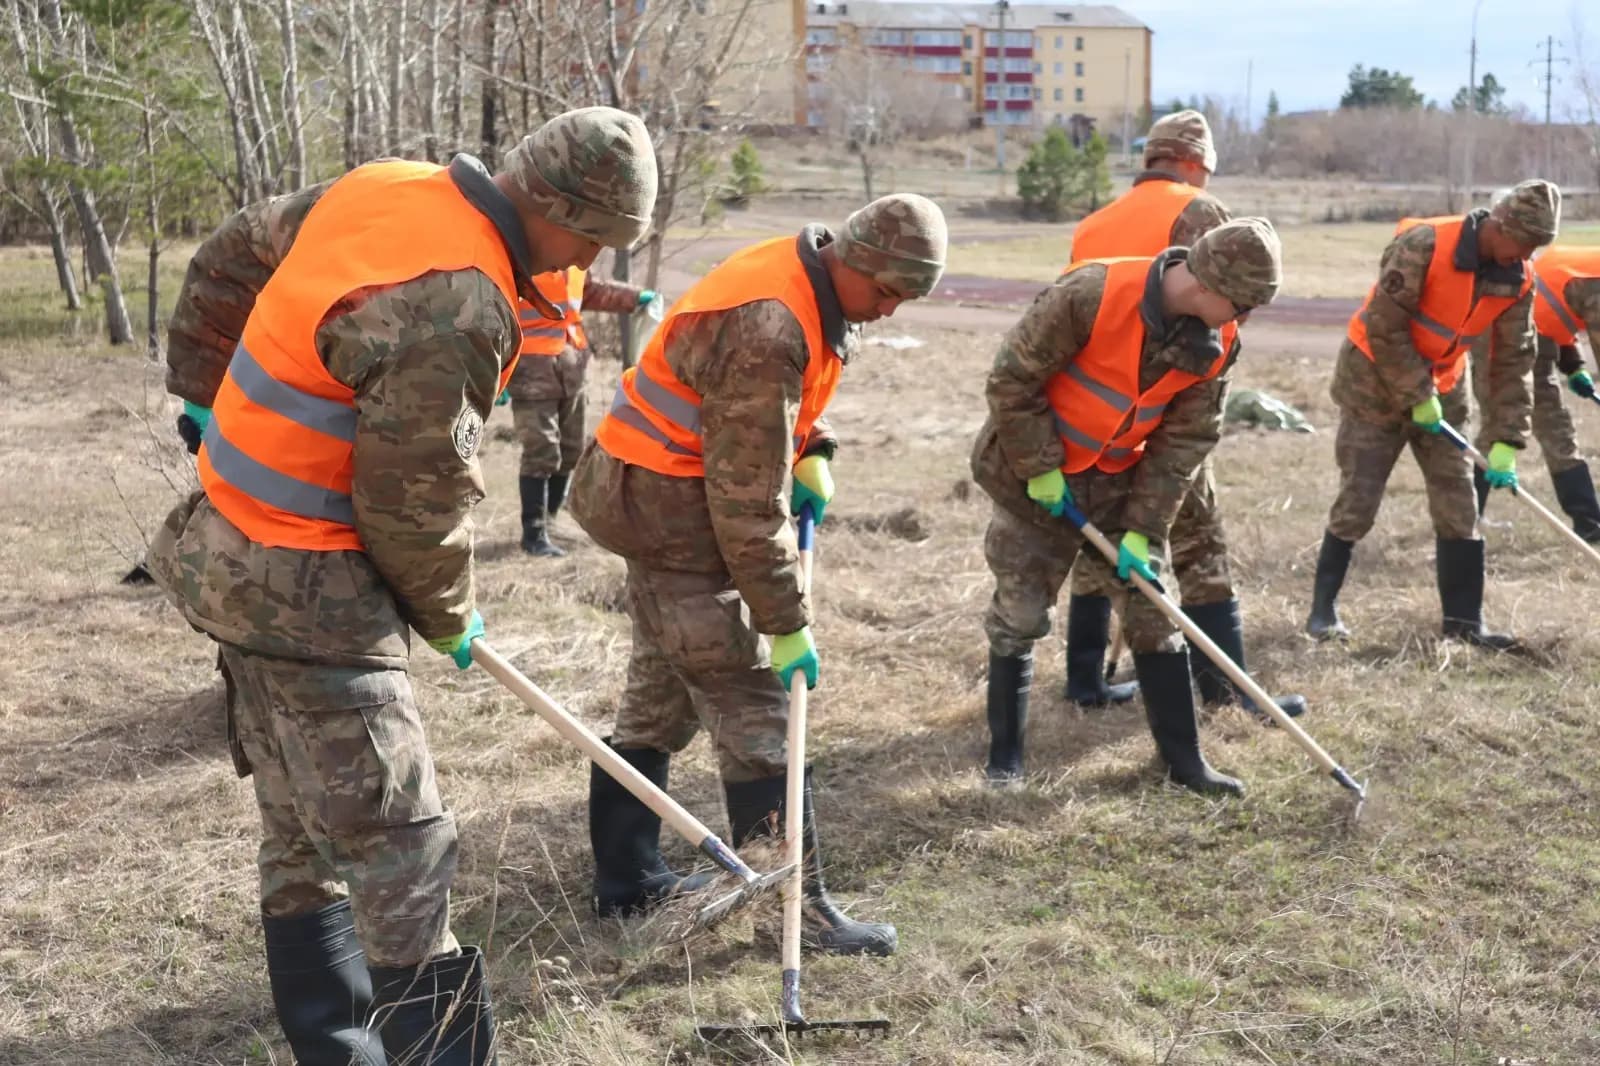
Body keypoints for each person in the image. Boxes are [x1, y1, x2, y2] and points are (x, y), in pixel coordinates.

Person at [147, 106, 658, 1066]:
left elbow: (227, 253)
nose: (580, 261)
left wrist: (202, 392)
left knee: (300, 830)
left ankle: (337, 1049)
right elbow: (412, 508)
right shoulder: (459, 301)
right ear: (553, 206)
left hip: (223, 552)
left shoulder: (385, 187)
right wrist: (450, 613)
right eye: (588, 239)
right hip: (311, 590)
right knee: (403, 846)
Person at [567, 194, 948, 956]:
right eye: (888, 294)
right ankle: (791, 911)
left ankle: (626, 877)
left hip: (658, 490)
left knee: (660, 685)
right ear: (858, 260)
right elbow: (745, 508)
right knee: (752, 698)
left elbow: (776, 410)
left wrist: (815, 447)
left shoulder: (806, 278)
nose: (891, 312)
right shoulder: (770, 323)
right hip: (669, 507)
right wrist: (784, 621)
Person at [975, 218, 1283, 796]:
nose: (1242, 319)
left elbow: (1185, 441)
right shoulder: (1089, 296)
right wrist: (1040, 466)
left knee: (1153, 613)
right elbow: (1011, 381)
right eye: (1241, 305)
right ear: (1208, 286)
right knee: (1019, 614)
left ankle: (1184, 765)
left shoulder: (1218, 342)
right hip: (1032, 478)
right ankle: (1005, 758)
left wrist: (1145, 529)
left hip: (1119, 482)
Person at [1064, 108, 1304, 720]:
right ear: (1197, 163)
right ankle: (1225, 689)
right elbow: (1230, 307)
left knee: (1099, 541)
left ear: (1150, 157)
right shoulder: (1200, 212)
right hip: (1170, 402)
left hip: (1101, 414)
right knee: (1201, 543)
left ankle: (1085, 680)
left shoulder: (1094, 224)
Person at [1305, 181, 1561, 648]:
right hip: (1373, 384)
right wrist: (1414, 391)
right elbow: (1384, 324)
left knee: (1459, 502)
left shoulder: (1518, 276)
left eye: (1535, 249)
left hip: (1445, 387)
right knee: (1358, 499)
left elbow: (1512, 360)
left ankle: (1465, 625)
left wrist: (1506, 438)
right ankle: (1322, 611)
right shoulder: (1425, 244)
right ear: (1500, 224)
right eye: (1522, 243)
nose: (1524, 256)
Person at [504, 267, 661, 556]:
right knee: (541, 451)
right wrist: (496, 370)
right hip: (530, 372)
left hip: (571, 369)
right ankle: (534, 534)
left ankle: (551, 521)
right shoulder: (523, 260)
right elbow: (496, 313)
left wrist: (636, 297)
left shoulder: (573, 264)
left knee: (571, 448)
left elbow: (592, 291)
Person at [1467, 243, 1600, 541]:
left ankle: (1589, 520)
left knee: (1555, 426)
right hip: (1503, 334)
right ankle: (1463, 520)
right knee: (1502, 427)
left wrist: (1573, 363)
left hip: (1536, 325)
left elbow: (1560, 303)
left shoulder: (1590, 266)